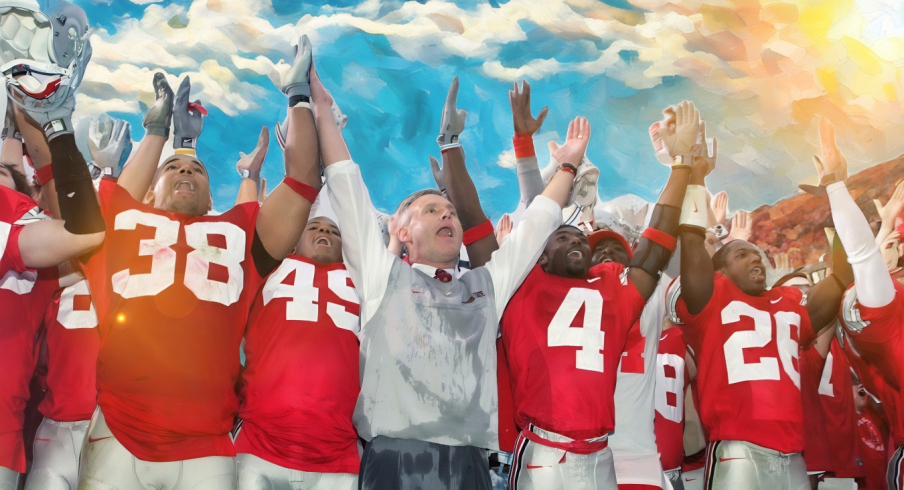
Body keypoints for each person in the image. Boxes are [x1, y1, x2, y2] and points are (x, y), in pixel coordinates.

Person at [70, 33, 322, 489]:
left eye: (197, 169)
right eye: (174, 168)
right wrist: (157, 132)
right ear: (148, 192)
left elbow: (304, 180)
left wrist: (298, 95)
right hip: (118, 434)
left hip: (206, 443)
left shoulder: (237, 231)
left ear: (211, 197)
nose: (186, 169)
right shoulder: (121, 221)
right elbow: (116, 198)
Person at [314, 60, 577, 488]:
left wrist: (566, 168)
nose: (447, 215)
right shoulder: (383, 278)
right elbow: (348, 188)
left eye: (451, 211)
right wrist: (323, 112)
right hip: (395, 460)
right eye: (432, 210)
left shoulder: (486, 286)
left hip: (469, 464)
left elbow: (536, 227)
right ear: (402, 232)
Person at [502, 101, 699, 490]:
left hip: (610, 456)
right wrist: (541, 156)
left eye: (583, 239)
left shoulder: (621, 290)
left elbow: (655, 249)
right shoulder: (526, 285)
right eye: (565, 236)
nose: (580, 242)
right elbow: (533, 220)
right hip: (548, 449)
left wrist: (683, 166)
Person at [666, 116, 850, 489]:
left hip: (794, 455)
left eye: (757, 253)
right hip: (739, 451)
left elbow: (843, 276)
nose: (755, 259)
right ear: (720, 270)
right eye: (742, 254)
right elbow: (691, 242)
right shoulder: (711, 297)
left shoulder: (788, 303)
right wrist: (697, 176)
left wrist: (838, 190)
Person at [234, 216, 360, 489]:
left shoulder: (364, 284)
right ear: (293, 242)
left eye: (333, 231)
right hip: (259, 443)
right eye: (313, 227)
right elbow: (246, 235)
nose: (324, 231)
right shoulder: (267, 272)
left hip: (339, 454)